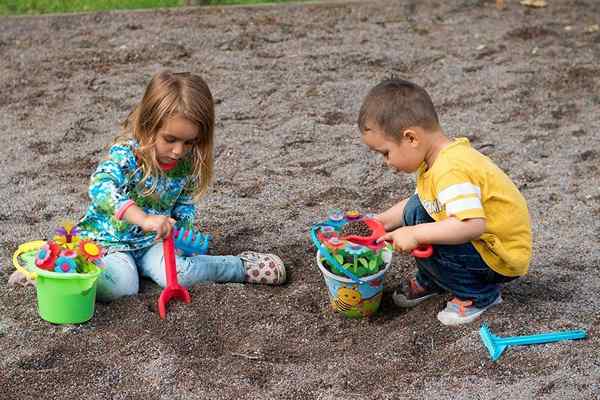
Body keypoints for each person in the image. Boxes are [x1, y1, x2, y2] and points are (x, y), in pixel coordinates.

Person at [10, 71, 286, 300]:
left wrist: (178, 229)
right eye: (170, 139)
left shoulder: (187, 165)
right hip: (110, 243)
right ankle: (53, 269)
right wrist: (141, 218)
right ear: (147, 126)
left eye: (189, 142)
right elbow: (100, 187)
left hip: (154, 243)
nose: (179, 151)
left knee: (180, 276)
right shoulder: (127, 155)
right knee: (120, 287)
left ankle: (240, 267)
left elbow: (184, 206)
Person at [358, 78, 532, 326]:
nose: (386, 162)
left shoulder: (451, 169)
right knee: (418, 210)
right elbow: (423, 201)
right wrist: (381, 222)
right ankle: (435, 280)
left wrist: (416, 233)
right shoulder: (436, 158)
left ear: (411, 138)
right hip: (484, 244)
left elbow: (471, 225)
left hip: (498, 255)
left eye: (386, 152)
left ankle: (479, 296)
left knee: (425, 230)